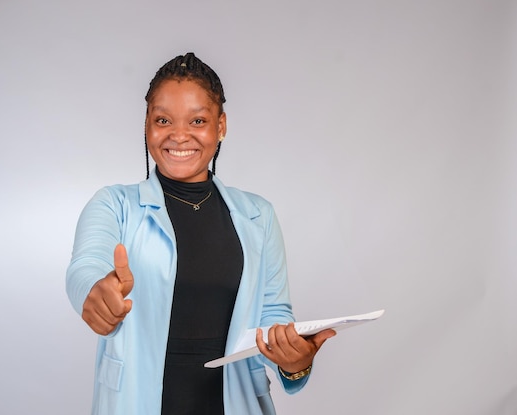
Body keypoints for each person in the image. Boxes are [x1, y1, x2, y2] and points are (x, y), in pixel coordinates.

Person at [66, 52, 336, 415]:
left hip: (233, 403)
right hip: (138, 401)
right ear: (147, 123)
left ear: (220, 126)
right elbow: (86, 265)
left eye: (198, 120)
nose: (179, 135)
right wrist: (96, 293)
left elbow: (272, 315)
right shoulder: (115, 204)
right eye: (163, 119)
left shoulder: (258, 216)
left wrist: (294, 361)